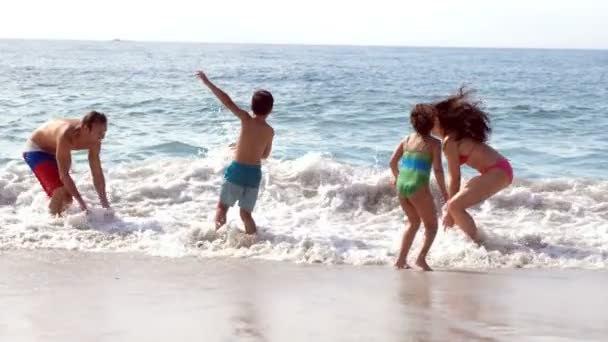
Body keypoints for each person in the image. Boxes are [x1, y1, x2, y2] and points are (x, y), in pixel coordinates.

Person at [196, 70, 274, 235]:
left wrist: (207, 82)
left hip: (238, 170)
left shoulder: (246, 119)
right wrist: (244, 147)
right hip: (254, 174)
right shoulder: (269, 131)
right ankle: (254, 242)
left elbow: (227, 101)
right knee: (245, 214)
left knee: (222, 207)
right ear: (270, 110)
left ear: (252, 106)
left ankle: (216, 238)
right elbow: (264, 155)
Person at [432, 88, 514, 244]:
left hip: (498, 171)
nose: (430, 127)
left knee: (455, 206)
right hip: (499, 170)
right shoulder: (455, 136)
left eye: (432, 122)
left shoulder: (449, 141)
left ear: (441, 123)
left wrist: (450, 209)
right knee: (456, 206)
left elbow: (455, 177)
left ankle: (476, 245)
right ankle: (471, 241)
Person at [389, 104, 448, 271]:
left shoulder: (406, 139)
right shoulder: (434, 144)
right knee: (432, 226)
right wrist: (445, 192)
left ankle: (400, 260)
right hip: (418, 186)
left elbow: (392, 162)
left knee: (413, 222)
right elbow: (437, 169)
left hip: (402, 186)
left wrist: (396, 178)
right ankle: (421, 259)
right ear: (432, 124)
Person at [23, 111, 111, 215]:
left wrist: (105, 203)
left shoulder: (95, 141)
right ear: (86, 129)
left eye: (104, 132)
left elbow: (97, 173)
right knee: (60, 190)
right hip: (37, 149)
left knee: (68, 198)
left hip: (55, 150)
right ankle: (51, 224)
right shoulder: (67, 136)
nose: (103, 137)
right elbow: (64, 175)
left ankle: (61, 225)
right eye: (99, 133)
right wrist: (82, 204)